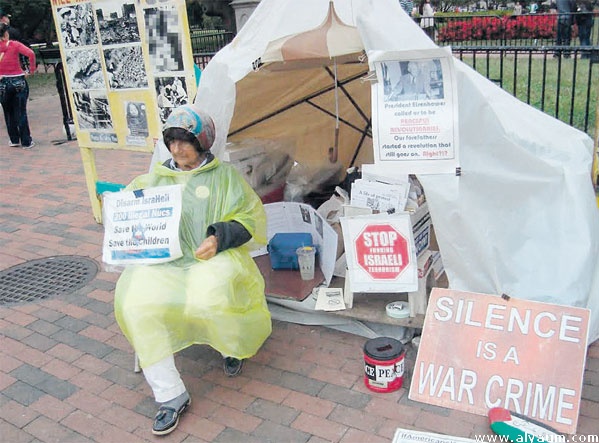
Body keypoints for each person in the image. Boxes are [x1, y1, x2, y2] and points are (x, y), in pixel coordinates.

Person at [113, 105, 272, 436]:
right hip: (165, 262)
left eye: (184, 141)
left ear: (202, 142)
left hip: (211, 258)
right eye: (171, 141)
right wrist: (119, 217)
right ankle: (170, 394)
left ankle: (232, 345)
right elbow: (131, 214)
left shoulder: (225, 177)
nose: (176, 149)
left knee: (207, 299)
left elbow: (249, 218)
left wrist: (218, 237)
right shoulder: (154, 179)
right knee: (135, 304)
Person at [0, 22, 36, 149]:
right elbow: (31, 54)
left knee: (8, 112)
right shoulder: (14, 45)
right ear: (6, 34)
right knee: (21, 112)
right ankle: (26, 141)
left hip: (2, 83)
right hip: (18, 80)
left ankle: (14, 139)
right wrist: (31, 70)